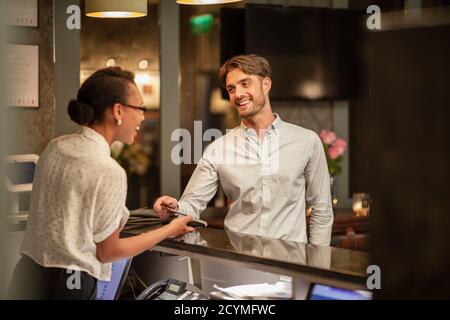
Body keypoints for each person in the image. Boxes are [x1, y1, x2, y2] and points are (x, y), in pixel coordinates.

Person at [8, 67, 194, 300]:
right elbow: (109, 251)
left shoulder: (55, 147)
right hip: (70, 285)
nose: (143, 117)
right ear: (118, 111)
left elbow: (77, 218)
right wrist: (169, 230)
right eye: (140, 108)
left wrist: (150, 214)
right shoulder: (109, 170)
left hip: (27, 274)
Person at [154, 54, 333, 246]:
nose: (237, 94)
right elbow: (192, 204)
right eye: (231, 89)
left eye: (245, 83)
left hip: (291, 265)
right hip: (238, 263)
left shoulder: (306, 141)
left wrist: (317, 266)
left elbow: (321, 210)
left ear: (266, 84)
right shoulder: (218, 149)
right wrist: (173, 208)